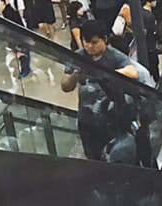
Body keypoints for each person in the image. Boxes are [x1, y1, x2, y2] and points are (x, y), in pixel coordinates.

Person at [60, 19, 140, 161]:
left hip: (113, 120)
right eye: (86, 42)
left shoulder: (114, 56)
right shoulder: (78, 57)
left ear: (105, 40)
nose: (90, 46)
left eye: (95, 42)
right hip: (87, 120)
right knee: (93, 157)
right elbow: (65, 86)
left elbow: (133, 72)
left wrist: (107, 74)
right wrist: (76, 75)